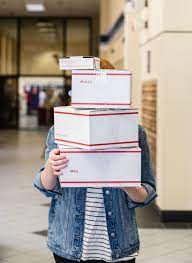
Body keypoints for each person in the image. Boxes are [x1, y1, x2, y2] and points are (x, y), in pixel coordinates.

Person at [34, 58, 157, 263]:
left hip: (119, 246)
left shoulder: (133, 132)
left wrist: (127, 184)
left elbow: (146, 194)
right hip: (68, 244)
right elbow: (45, 186)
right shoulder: (63, 128)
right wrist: (50, 168)